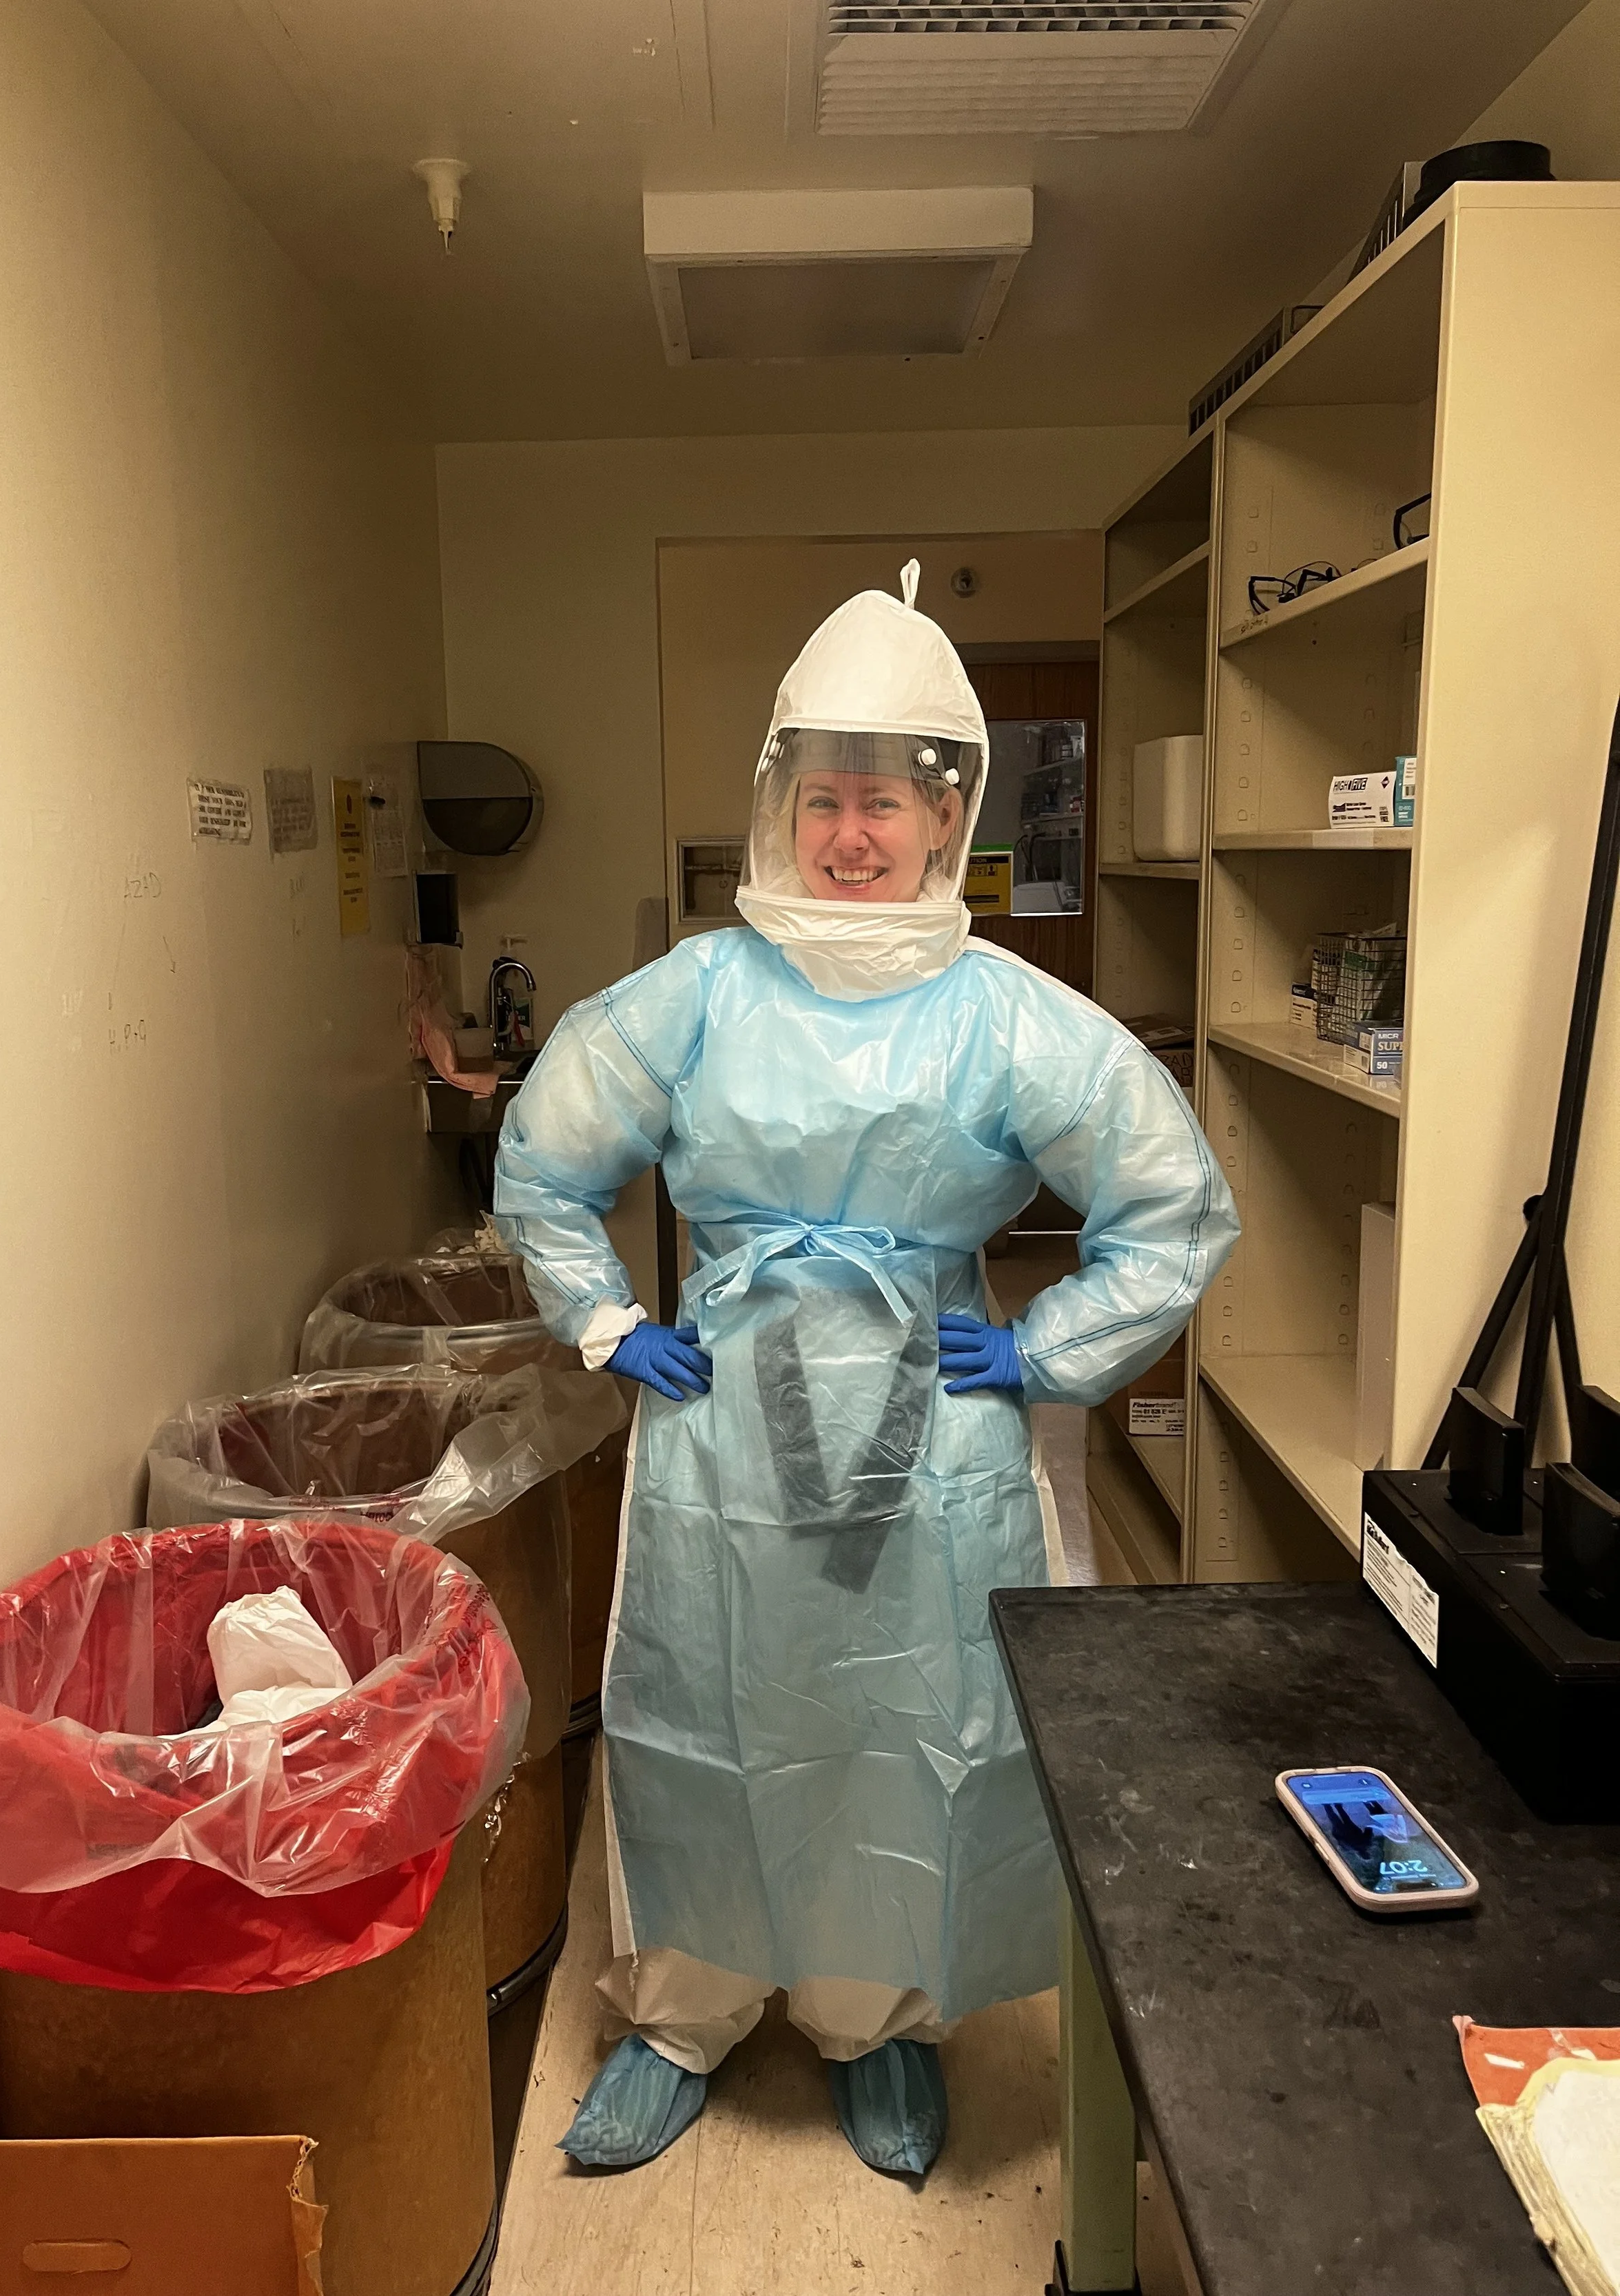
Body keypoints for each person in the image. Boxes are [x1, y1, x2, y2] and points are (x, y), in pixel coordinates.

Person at [494, 561, 1238, 2178]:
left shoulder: (1007, 1018)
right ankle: (681, 2011)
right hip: (723, 1426)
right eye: (825, 796)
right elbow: (545, 1163)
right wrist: (610, 1322)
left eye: (884, 801)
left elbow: (1170, 1206)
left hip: (932, 1427)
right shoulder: (693, 994)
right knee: (703, 1699)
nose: (851, 833)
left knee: (904, 1718)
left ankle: (874, 2018)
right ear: (780, 802)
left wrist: (1046, 1349)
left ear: (941, 816)